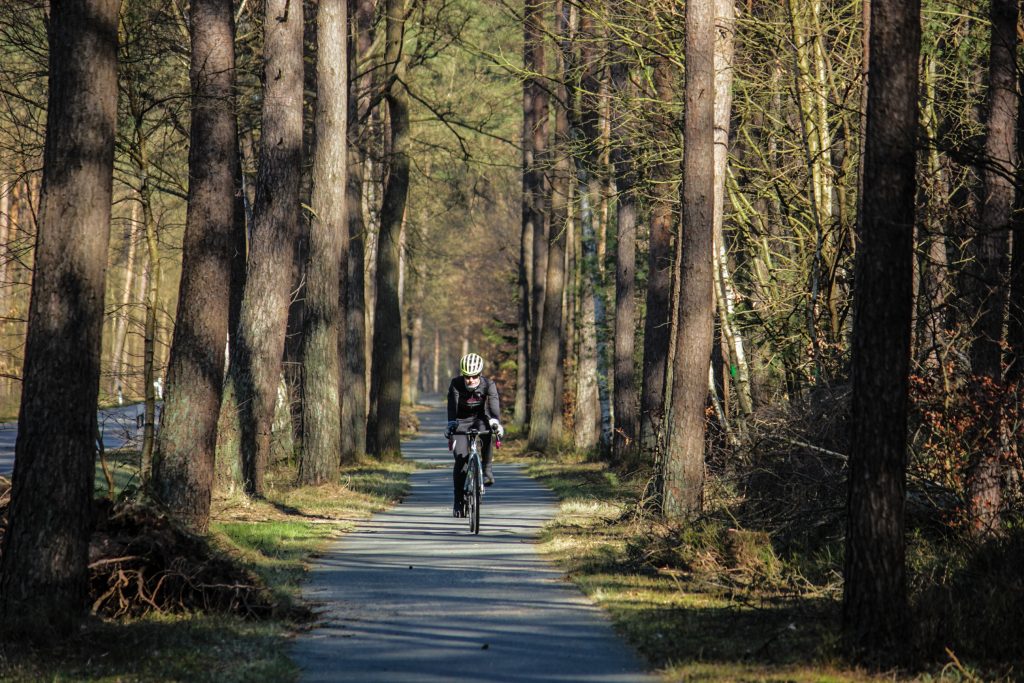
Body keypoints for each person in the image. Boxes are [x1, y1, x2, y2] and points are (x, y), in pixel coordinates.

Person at [444, 352, 503, 517]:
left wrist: (495, 421)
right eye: (467, 376)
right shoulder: (456, 384)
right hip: (461, 421)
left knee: (488, 433)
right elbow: (452, 406)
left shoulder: (488, 385)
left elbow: (493, 405)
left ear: (480, 374)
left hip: (481, 419)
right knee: (461, 458)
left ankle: (487, 469)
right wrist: (451, 423)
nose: (470, 380)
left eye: (474, 376)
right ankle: (458, 501)